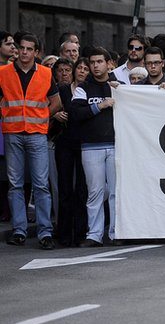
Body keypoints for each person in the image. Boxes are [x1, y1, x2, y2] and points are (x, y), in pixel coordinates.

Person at [0, 33, 60, 249]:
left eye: (29, 49)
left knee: (41, 185)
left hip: (36, 133)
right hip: (13, 132)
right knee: (15, 184)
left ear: (36, 52)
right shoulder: (3, 72)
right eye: (21, 48)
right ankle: (19, 230)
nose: (24, 52)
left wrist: (43, 117)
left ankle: (45, 232)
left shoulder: (45, 73)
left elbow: (56, 102)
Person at [71, 48, 118, 247]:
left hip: (117, 146)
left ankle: (117, 233)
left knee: (117, 192)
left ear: (108, 63)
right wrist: (100, 106)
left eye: (100, 61)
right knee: (95, 192)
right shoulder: (83, 87)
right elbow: (75, 113)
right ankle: (95, 234)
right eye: (93, 62)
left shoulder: (119, 86)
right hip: (90, 147)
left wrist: (121, 91)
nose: (96, 65)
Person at [52, 57, 89, 246]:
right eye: (79, 68)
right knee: (65, 188)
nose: (82, 71)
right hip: (65, 142)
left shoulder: (90, 90)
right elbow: (50, 107)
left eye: (85, 68)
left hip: (85, 143)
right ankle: (64, 233)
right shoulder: (63, 89)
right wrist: (55, 114)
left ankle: (81, 233)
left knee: (82, 189)